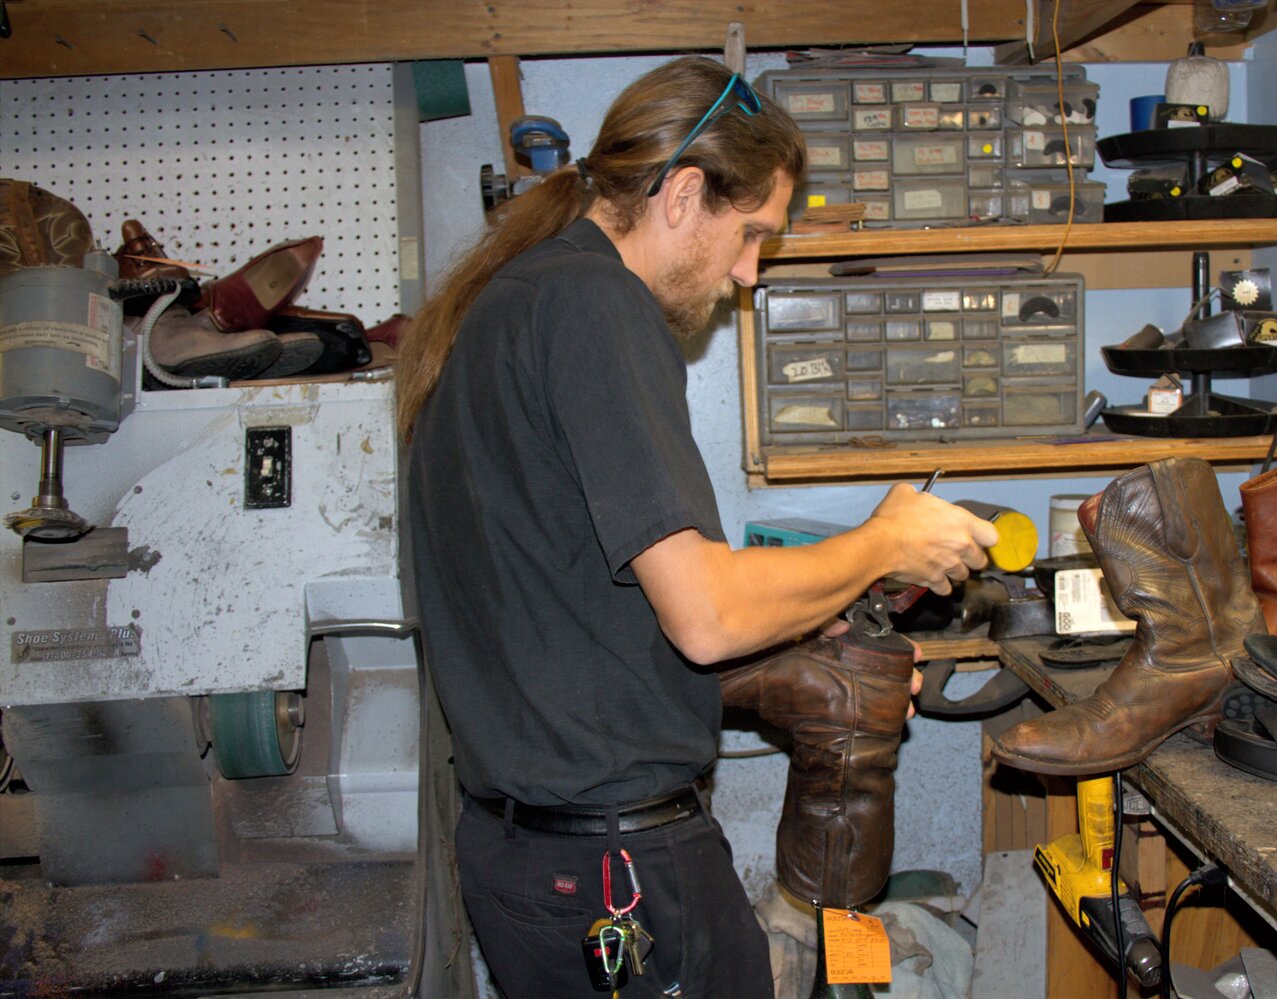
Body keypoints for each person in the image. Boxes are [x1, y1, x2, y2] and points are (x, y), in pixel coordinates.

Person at [399, 56, 998, 998]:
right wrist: (882, 542)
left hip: (534, 858)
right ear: (684, 194)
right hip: (615, 867)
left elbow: (583, 611)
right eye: (751, 232)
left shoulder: (517, 303)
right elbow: (705, 612)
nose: (750, 273)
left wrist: (812, 615)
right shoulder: (597, 306)